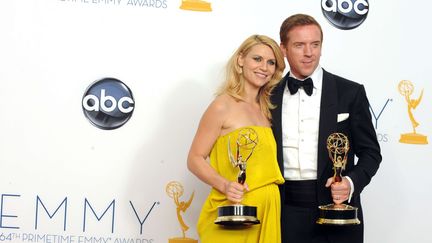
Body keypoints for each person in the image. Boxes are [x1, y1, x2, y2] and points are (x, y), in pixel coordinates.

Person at [270, 14, 382, 243]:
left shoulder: (350, 92)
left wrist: (350, 183)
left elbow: (371, 153)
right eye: (299, 45)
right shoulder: (268, 95)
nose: (309, 52)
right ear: (283, 48)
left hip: (337, 212)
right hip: (283, 212)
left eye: (315, 44)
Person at [187, 34, 286, 243]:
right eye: (257, 59)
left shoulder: (267, 110)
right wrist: (224, 185)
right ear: (241, 60)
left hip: (268, 209)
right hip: (235, 212)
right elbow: (195, 158)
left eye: (271, 62)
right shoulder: (222, 105)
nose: (264, 67)